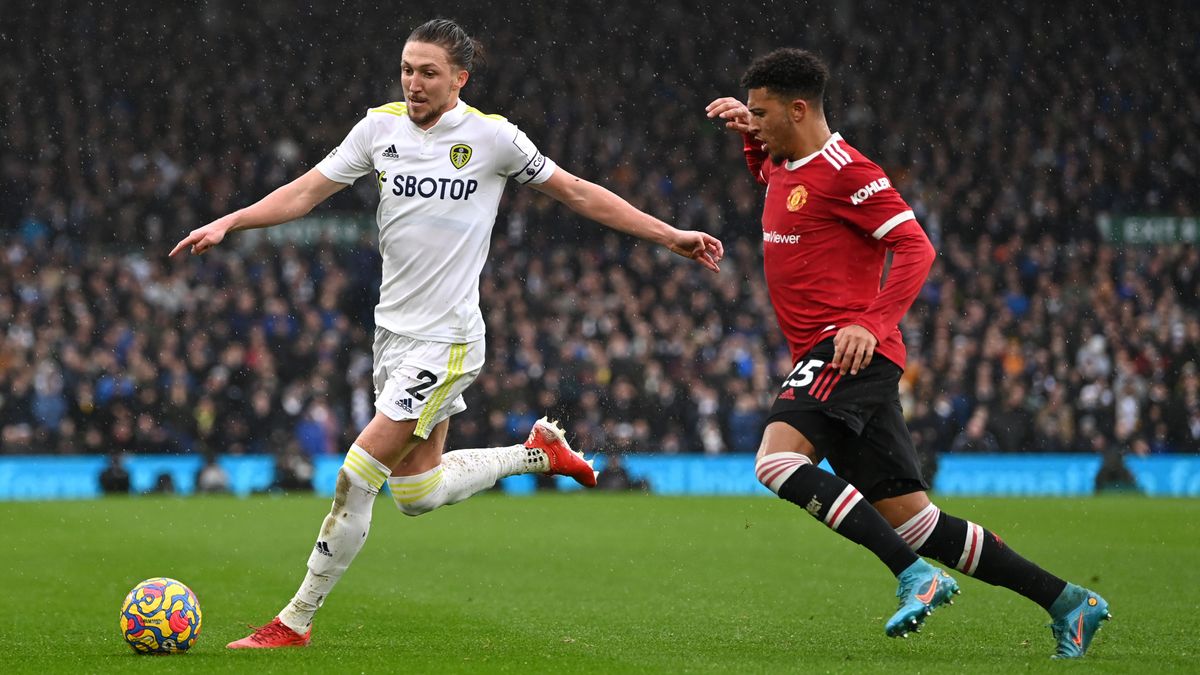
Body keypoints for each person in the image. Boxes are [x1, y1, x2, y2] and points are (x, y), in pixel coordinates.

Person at [171, 19, 723, 649]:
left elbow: (576, 191)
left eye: (428, 72)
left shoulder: (492, 139)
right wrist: (231, 223)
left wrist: (668, 234)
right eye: (407, 69)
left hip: (448, 340)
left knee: (358, 472)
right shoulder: (378, 128)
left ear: (460, 78)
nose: (413, 82)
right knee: (418, 493)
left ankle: (293, 621)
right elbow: (306, 193)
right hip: (393, 336)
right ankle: (537, 453)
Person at [705, 48, 1108, 658]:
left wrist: (870, 321)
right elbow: (778, 178)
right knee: (918, 523)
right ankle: (1068, 601)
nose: (753, 121)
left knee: (775, 464)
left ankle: (915, 577)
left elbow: (916, 247)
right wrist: (751, 139)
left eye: (762, 113)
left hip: (847, 352)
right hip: (838, 357)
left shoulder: (849, 171)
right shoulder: (784, 163)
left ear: (798, 108)